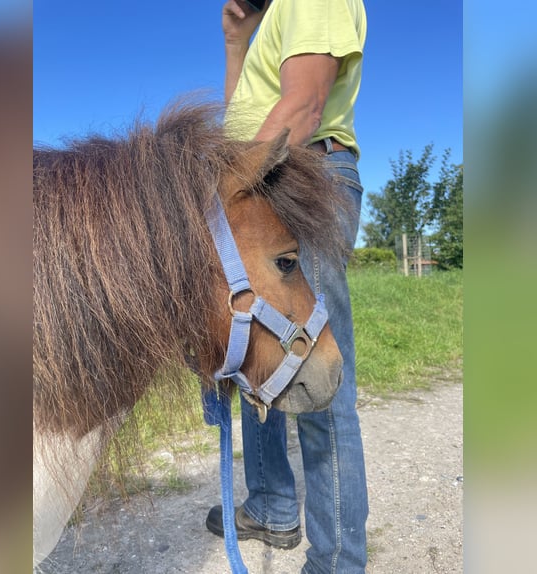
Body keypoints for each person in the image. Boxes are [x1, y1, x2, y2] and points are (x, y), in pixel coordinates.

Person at [205, 1, 369, 572]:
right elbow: (239, 131)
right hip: (266, 174)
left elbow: (303, 102)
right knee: (257, 348)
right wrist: (236, 44)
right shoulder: (271, 19)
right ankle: (273, 503)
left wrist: (217, 201)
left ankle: (338, 562)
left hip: (303, 174)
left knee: (317, 383)